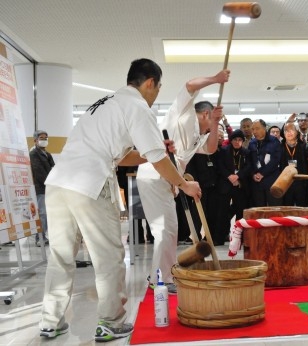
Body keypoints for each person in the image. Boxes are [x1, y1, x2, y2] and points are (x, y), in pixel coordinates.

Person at [40, 58, 201, 342]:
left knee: (61, 256)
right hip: (89, 183)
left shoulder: (103, 102)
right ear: (149, 82)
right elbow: (159, 159)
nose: (156, 94)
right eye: (158, 88)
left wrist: (152, 150)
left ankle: (50, 322)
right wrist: (183, 184)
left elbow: (124, 155)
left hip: (58, 183)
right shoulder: (138, 106)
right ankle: (111, 322)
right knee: (109, 256)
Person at [136, 70, 230, 293]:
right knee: (165, 230)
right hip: (154, 174)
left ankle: (159, 275)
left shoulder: (200, 135)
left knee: (169, 230)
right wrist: (215, 79)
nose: (211, 130)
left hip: (170, 180)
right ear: (204, 113)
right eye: (210, 121)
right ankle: (162, 279)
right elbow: (190, 84)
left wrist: (215, 124)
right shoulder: (182, 113)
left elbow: (212, 148)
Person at [216, 129, 252, 238]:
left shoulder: (246, 152)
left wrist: (238, 176)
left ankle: (238, 235)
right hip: (226, 184)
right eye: (235, 139)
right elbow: (220, 166)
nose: (237, 142)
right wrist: (229, 176)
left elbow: (249, 167)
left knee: (240, 210)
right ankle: (222, 235)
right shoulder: (223, 151)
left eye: (240, 140)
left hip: (240, 185)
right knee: (223, 210)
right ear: (231, 140)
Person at [249, 119, 282, 207]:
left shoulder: (274, 141)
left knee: (274, 209)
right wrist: (253, 174)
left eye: (257, 128)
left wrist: (262, 173)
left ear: (264, 128)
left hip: (271, 180)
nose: (254, 131)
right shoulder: (252, 143)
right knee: (259, 210)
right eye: (253, 129)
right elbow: (250, 162)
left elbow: (275, 160)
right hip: (256, 182)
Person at [29, 130, 54, 247]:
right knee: (42, 213)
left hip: (49, 187)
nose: (44, 140)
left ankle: (44, 236)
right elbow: (38, 172)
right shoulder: (33, 154)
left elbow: (54, 169)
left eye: (45, 138)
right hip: (40, 188)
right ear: (35, 140)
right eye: (41, 138)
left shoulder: (47, 154)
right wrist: (49, 182)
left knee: (47, 213)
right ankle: (39, 238)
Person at [279, 122, 308, 206]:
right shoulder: (280, 147)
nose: (289, 133)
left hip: (301, 182)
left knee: (302, 208)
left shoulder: (303, 146)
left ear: (297, 132)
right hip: (286, 182)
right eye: (286, 130)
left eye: (291, 130)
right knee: (287, 208)